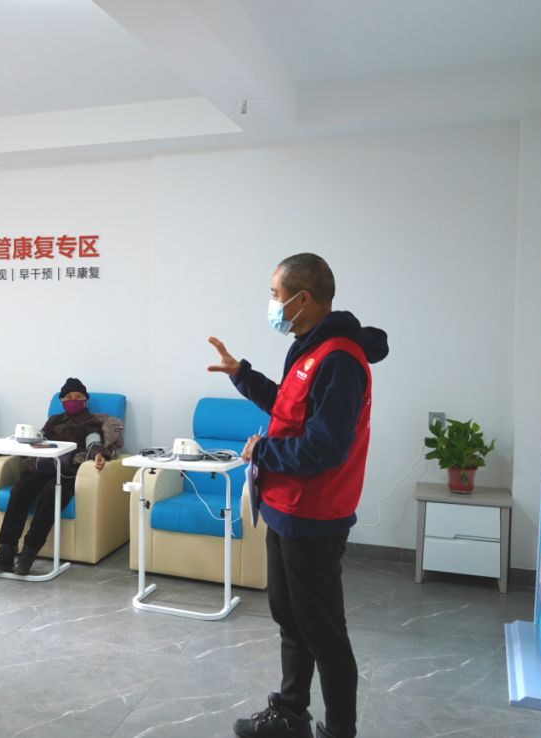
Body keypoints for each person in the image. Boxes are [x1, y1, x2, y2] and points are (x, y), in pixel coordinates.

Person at [208, 253, 388, 738]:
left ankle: (339, 730)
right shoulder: (307, 348)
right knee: (290, 617)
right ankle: (290, 714)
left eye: (275, 294)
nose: (272, 303)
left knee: (324, 632)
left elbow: (326, 446)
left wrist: (263, 450)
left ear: (302, 298)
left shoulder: (340, 359)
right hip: (285, 507)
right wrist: (241, 374)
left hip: (314, 514)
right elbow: (289, 409)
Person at [0, 378, 124, 576]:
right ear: (62, 400)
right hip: (42, 467)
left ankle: (28, 554)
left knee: (51, 494)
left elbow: (94, 442)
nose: (73, 400)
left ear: (85, 400)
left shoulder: (90, 422)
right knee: (21, 489)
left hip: (67, 472)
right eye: (69, 397)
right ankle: (5, 551)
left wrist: (98, 455)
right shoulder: (54, 420)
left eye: (78, 397)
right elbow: (35, 439)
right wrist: (2, 450)